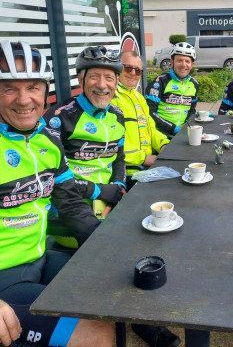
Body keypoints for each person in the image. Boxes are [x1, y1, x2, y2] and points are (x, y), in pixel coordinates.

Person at [0, 41, 113, 346]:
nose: (24, 100)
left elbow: (70, 202)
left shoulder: (48, 139)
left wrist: (107, 242)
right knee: (96, 335)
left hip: (38, 259)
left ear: (45, 91)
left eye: (33, 87)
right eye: (9, 88)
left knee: (111, 290)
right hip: (4, 281)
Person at [44, 45, 126, 222]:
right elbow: (49, 176)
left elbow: (119, 158)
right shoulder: (59, 117)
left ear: (116, 82)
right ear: (81, 80)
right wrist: (100, 191)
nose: (102, 85)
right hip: (70, 208)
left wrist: (118, 187)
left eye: (109, 78)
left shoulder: (118, 116)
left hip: (108, 201)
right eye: (94, 76)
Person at [111, 51, 170, 189]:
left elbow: (151, 129)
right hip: (129, 172)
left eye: (138, 70)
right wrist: (143, 158)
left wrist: (164, 144)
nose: (133, 73)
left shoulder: (139, 97)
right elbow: (111, 146)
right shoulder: (112, 98)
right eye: (127, 68)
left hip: (147, 167)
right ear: (117, 68)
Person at [146, 42, 199, 137]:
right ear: (172, 62)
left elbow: (191, 110)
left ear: (192, 64)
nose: (183, 65)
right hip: (160, 134)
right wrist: (174, 128)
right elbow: (149, 112)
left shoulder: (194, 84)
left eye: (187, 61)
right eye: (179, 60)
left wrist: (187, 125)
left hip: (182, 133)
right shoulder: (159, 82)